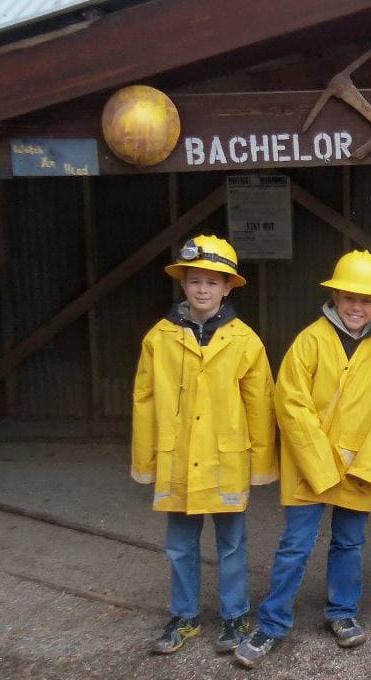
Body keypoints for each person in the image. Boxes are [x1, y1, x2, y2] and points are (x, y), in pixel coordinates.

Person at [233, 250, 371, 668]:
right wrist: (322, 465)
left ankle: (342, 613)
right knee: (295, 545)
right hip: (311, 467)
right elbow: (290, 403)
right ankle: (272, 623)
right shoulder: (310, 340)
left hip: (357, 467)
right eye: (349, 297)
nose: (357, 306)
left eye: (366, 300)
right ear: (335, 296)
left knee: (350, 542)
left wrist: (365, 464)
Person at [131, 234, 277, 656]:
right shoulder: (158, 338)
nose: (202, 289)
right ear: (183, 283)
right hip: (177, 463)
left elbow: (261, 403)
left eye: (212, 283)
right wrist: (146, 460)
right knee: (179, 544)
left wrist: (261, 464)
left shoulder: (245, 341)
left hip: (225, 462)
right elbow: (143, 402)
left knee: (232, 544)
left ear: (228, 287)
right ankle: (185, 615)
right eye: (195, 280)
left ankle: (235, 616)